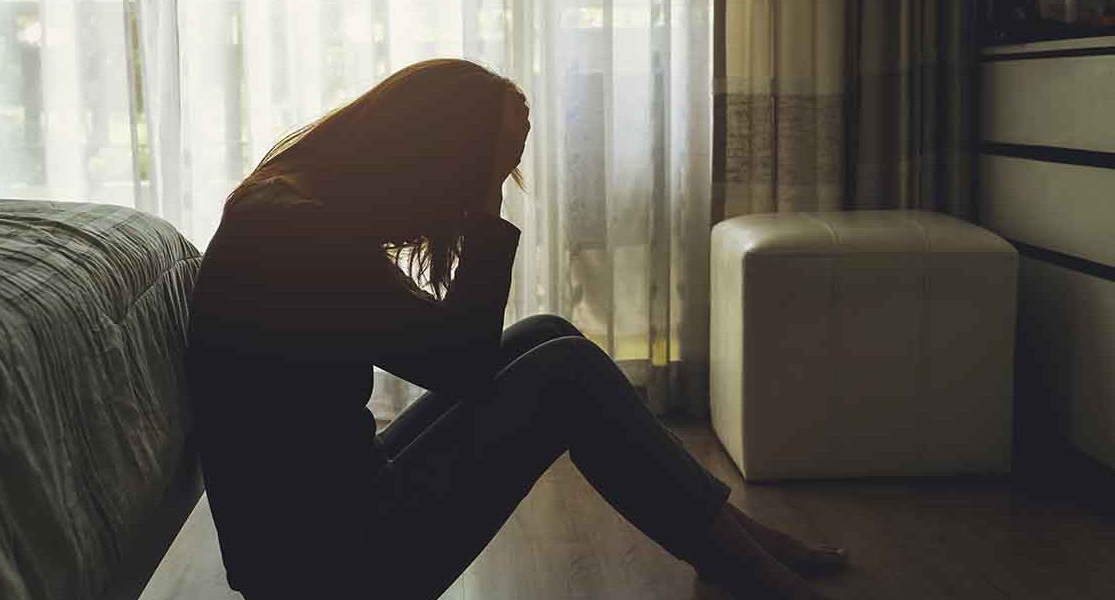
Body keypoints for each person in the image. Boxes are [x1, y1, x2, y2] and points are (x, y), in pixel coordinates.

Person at [185, 58, 847, 600]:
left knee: (544, 334)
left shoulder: (291, 205)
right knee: (566, 375)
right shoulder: (299, 231)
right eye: (476, 170)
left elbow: (443, 350)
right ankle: (748, 565)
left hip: (317, 533)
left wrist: (485, 173)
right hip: (330, 569)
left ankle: (726, 542)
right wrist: (487, 202)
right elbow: (461, 362)